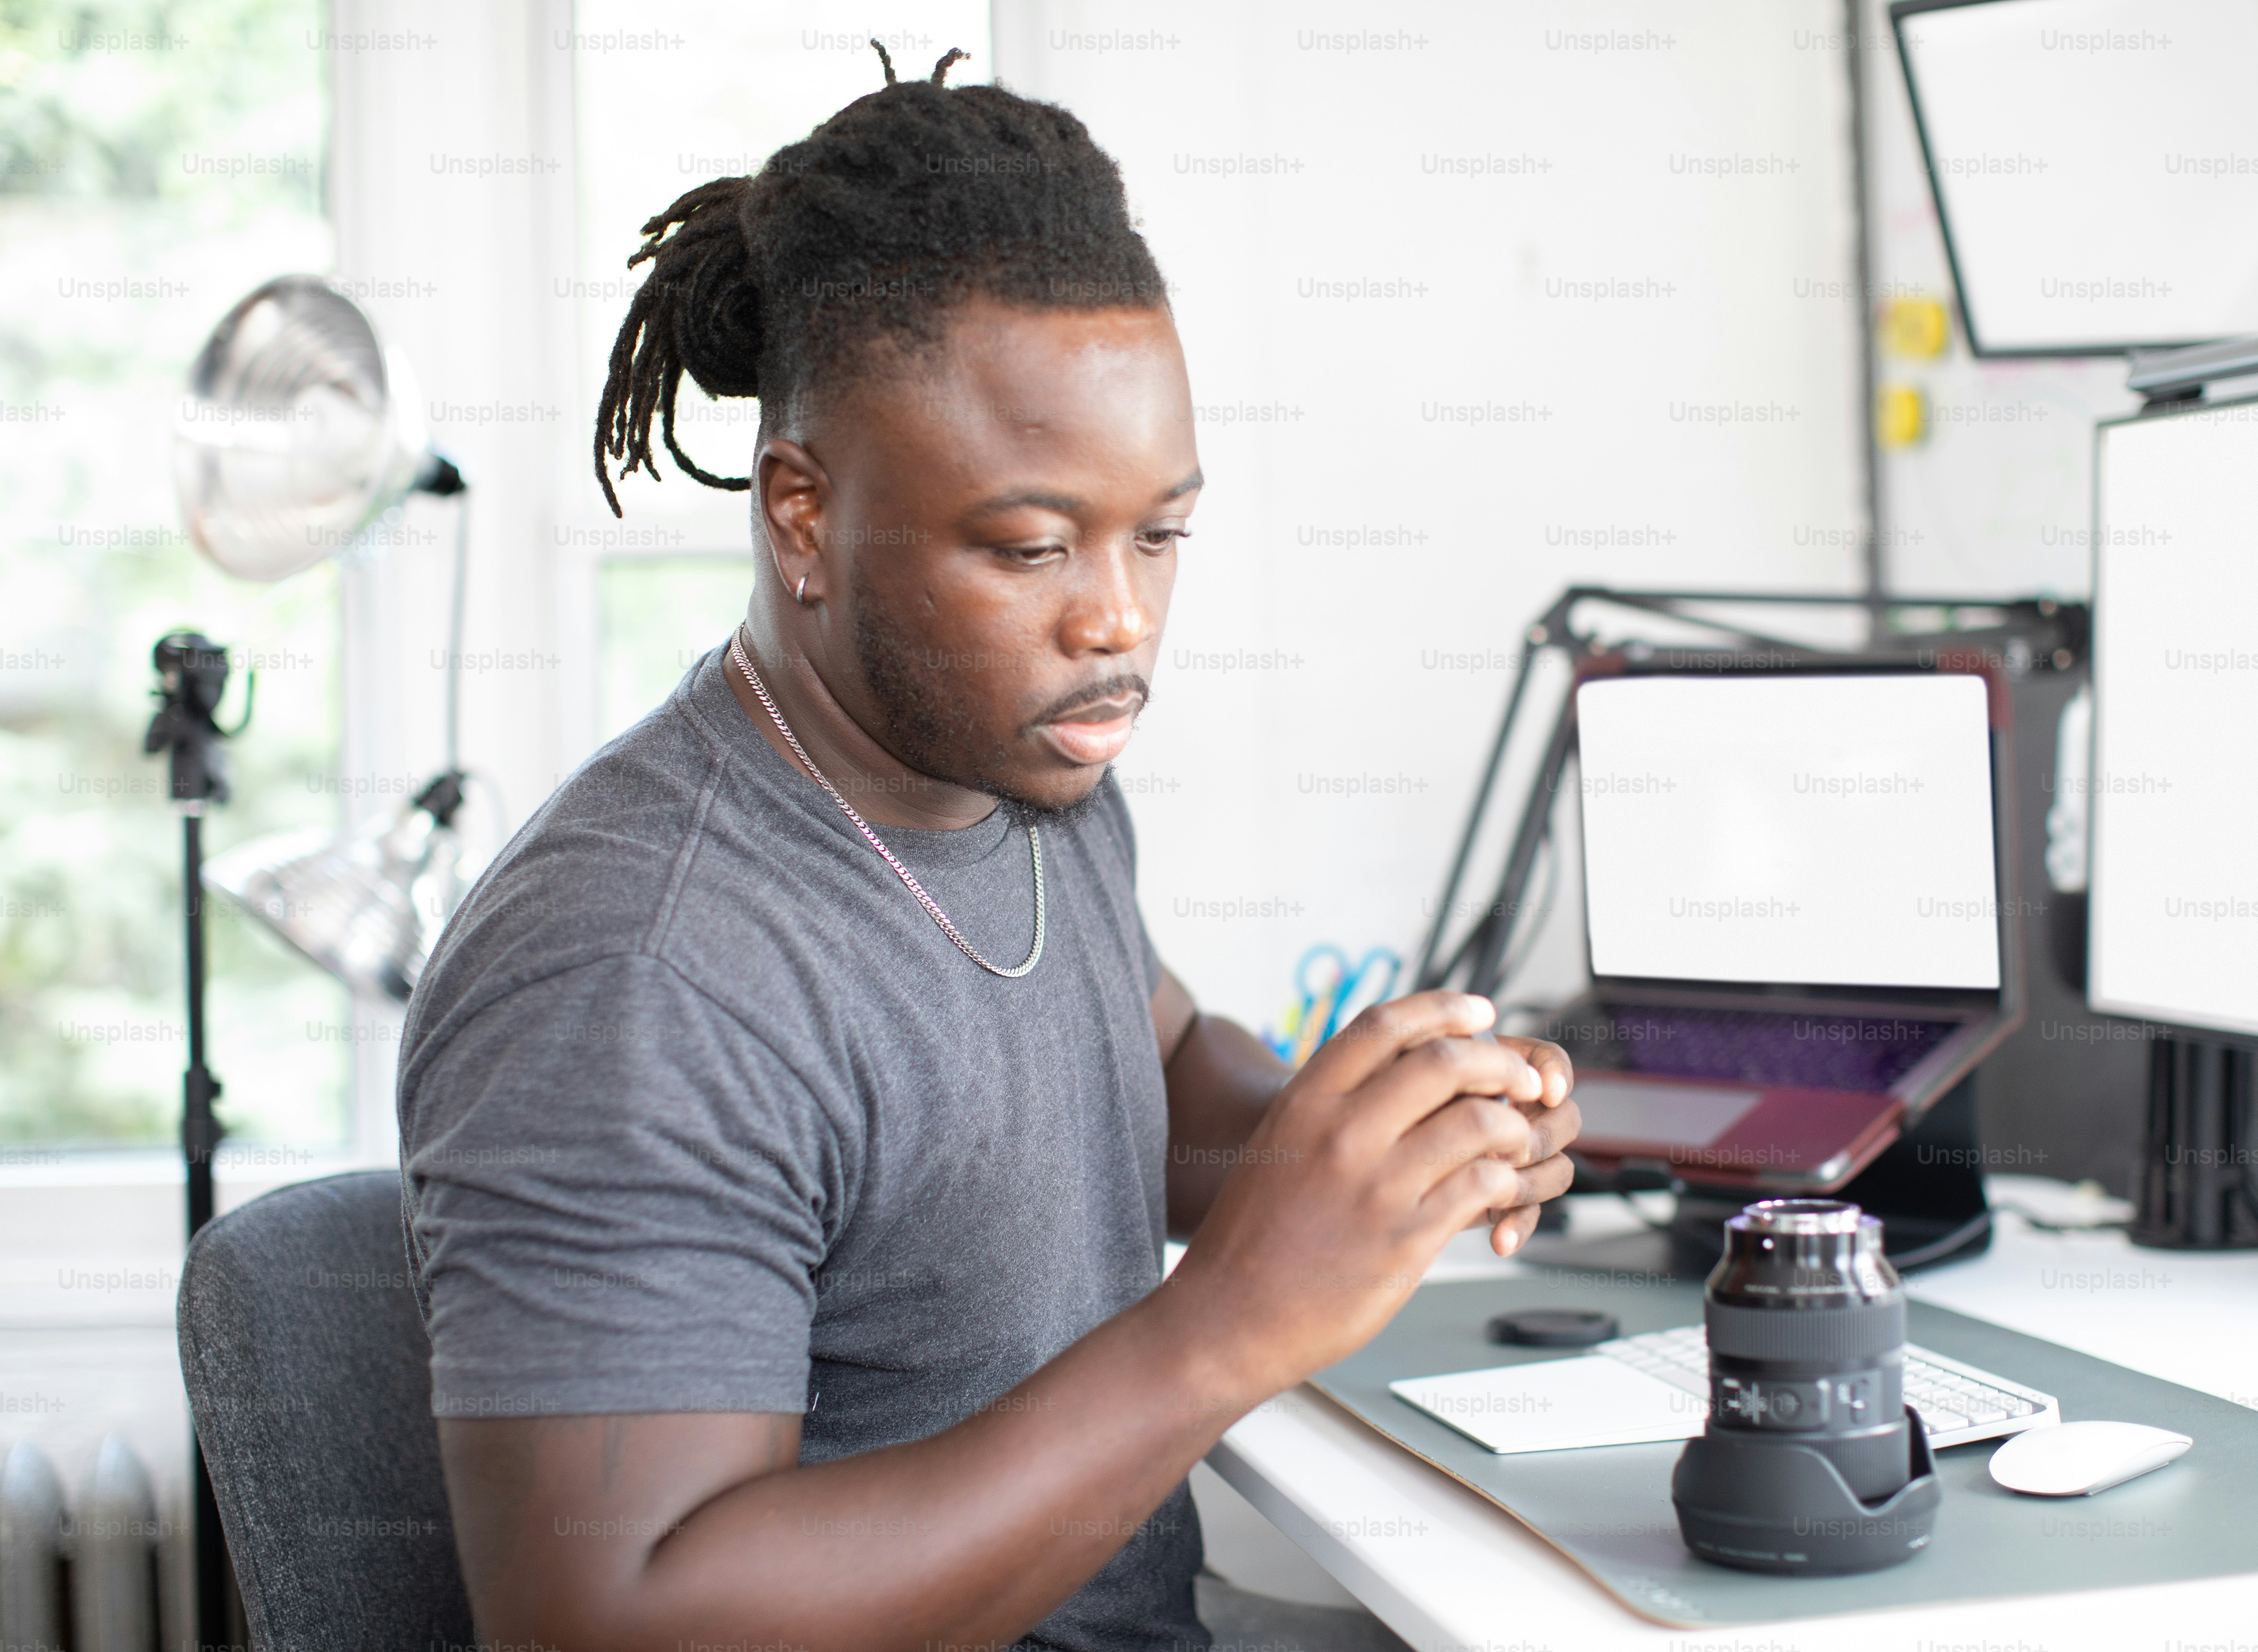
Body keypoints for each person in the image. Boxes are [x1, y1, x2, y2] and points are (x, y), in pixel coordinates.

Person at [398, 45, 1579, 1652]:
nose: (1118, 618)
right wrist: (1227, 1325)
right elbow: (614, 1620)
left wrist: (1367, 1143)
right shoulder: (634, 968)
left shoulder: (1028, 771)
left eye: (1159, 531)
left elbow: (1146, 1075)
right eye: (1031, 545)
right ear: (805, 517)